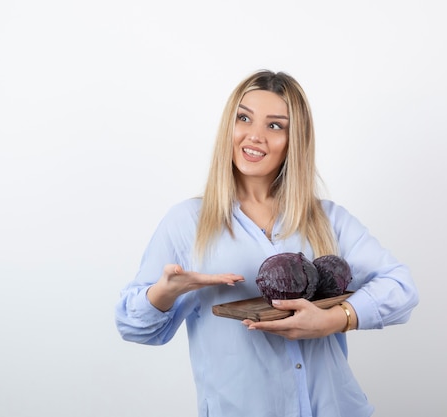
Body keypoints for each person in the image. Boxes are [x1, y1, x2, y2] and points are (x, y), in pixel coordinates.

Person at [115, 69, 419, 417]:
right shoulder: (187, 223)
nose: (255, 136)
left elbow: (401, 288)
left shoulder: (327, 219)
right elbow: (134, 328)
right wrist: (165, 291)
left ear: (295, 140)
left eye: (275, 125)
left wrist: (336, 319)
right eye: (244, 118)